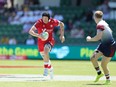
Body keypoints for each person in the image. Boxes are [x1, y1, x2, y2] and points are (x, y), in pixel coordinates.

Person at [29, 12, 65, 79]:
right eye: (43, 18)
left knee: (46, 49)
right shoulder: (39, 22)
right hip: (40, 42)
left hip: (50, 41)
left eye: (46, 18)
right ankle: (50, 69)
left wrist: (62, 35)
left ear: (49, 18)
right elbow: (30, 31)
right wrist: (38, 35)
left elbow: (62, 24)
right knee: (46, 58)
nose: (44, 20)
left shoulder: (52, 21)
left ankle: (45, 69)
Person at [86, 11, 116, 85]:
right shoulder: (104, 22)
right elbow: (111, 31)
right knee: (93, 58)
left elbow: (97, 37)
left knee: (103, 65)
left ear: (94, 17)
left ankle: (108, 80)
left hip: (110, 46)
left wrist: (89, 39)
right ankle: (99, 73)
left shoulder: (100, 25)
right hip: (103, 44)